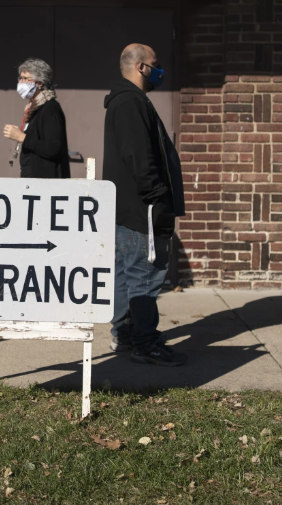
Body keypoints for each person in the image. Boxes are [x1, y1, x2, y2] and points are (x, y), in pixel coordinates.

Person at [103, 43, 186, 367]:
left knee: (127, 276)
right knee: (144, 277)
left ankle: (126, 336)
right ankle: (145, 343)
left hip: (131, 209)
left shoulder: (127, 101)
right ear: (140, 67)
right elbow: (139, 156)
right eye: (155, 64)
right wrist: (157, 195)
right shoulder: (130, 102)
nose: (159, 70)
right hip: (142, 210)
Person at [3, 58, 70, 178]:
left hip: (46, 181)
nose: (21, 82)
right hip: (32, 179)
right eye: (20, 78)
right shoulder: (33, 109)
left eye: (26, 79)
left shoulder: (50, 108)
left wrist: (21, 137)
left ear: (39, 83)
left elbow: (54, 148)